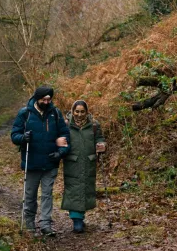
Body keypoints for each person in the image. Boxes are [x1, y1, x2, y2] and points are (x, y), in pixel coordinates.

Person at [11, 86, 70, 236]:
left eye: (49, 99)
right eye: (44, 99)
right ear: (37, 98)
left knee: (47, 194)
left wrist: (60, 153)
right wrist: (23, 138)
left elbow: (65, 135)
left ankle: (45, 224)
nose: (47, 101)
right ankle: (29, 222)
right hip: (31, 162)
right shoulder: (25, 114)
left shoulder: (55, 114)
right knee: (30, 195)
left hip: (50, 162)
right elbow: (14, 135)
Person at [61, 100, 106, 233]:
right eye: (77, 111)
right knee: (73, 189)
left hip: (88, 162)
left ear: (87, 112)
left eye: (82, 112)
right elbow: (59, 139)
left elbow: (100, 138)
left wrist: (102, 145)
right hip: (71, 162)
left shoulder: (94, 125)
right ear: (72, 111)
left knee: (86, 189)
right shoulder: (66, 125)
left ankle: (80, 217)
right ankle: (76, 220)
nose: (79, 114)